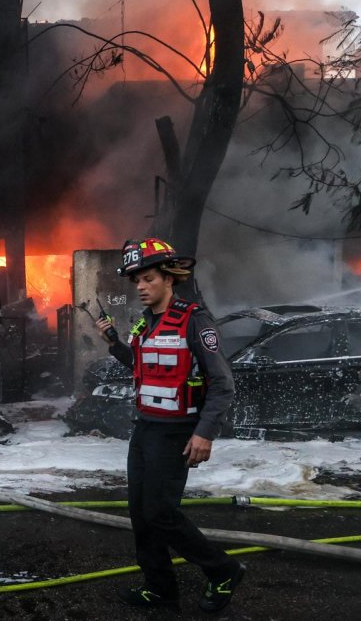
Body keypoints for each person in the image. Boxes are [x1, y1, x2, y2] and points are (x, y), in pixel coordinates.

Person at [95, 237, 245, 613]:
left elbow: (223, 383)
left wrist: (204, 432)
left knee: (161, 513)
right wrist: (113, 342)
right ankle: (160, 588)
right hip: (145, 428)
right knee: (140, 513)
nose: (141, 287)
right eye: (137, 281)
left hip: (177, 432)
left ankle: (223, 570)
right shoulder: (145, 324)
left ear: (169, 278)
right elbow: (145, 367)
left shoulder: (195, 321)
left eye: (148, 279)